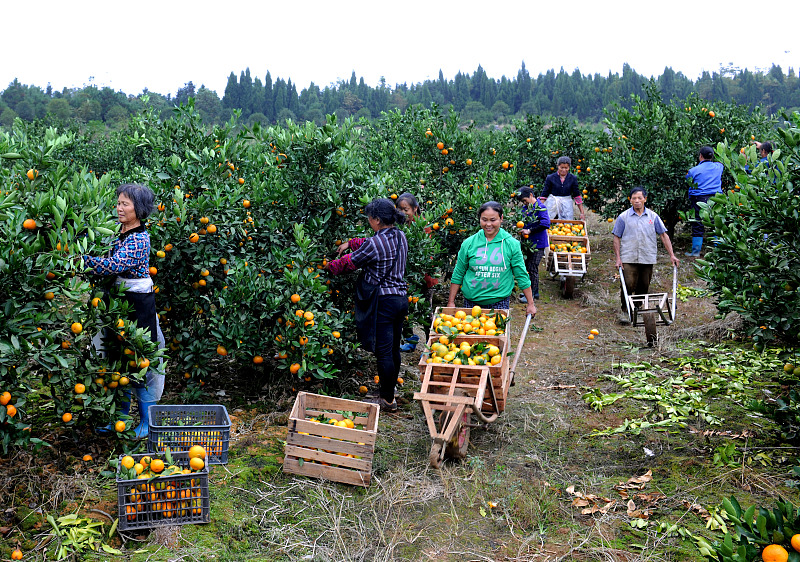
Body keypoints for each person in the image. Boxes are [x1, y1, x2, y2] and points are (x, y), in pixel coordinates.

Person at [83, 183, 165, 438]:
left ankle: (146, 422)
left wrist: (80, 260)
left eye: (124, 204)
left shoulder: (139, 239)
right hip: (118, 302)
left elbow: (113, 265)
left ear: (138, 209)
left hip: (137, 305)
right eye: (118, 203)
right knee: (117, 361)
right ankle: (119, 419)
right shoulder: (116, 232)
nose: (119, 208)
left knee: (138, 361)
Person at [327, 198, 409, 412]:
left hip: (383, 302)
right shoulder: (400, 236)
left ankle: (387, 401)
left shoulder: (375, 244)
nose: (368, 221)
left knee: (383, 352)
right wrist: (350, 243)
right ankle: (389, 390)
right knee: (393, 349)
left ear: (377, 220)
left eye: (369, 218)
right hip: (400, 299)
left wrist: (327, 266)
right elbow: (368, 243)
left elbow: (349, 263)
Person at [448, 201, 537, 317]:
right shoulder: (469, 243)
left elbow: (521, 275)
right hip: (471, 303)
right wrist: (451, 302)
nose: (488, 224)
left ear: (501, 218)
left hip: (499, 303)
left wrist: (530, 303)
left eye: (493, 220)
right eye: (484, 220)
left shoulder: (511, 244)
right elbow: (458, 273)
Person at [613, 187, 680, 324]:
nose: (637, 201)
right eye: (634, 198)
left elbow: (663, 235)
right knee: (628, 283)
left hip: (647, 256)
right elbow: (616, 237)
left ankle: (637, 309)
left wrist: (672, 255)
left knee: (643, 285)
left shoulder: (653, 216)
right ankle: (625, 310)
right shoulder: (623, 217)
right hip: (628, 256)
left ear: (645, 199)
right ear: (630, 200)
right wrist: (618, 258)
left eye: (639, 198)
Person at [395, 193, 439, 352]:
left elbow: (428, 253)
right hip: (405, 277)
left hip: (424, 278)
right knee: (404, 310)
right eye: (399, 209)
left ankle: (430, 345)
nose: (402, 213)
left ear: (415, 209)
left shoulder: (423, 226)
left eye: (405, 209)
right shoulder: (398, 225)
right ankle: (410, 340)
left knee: (425, 312)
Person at [684, 146, 723, 256]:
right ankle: (719, 251)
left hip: (699, 199)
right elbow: (721, 162)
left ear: (700, 156)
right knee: (716, 223)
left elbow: (688, 180)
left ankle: (696, 252)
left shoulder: (693, 171)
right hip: (715, 198)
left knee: (697, 223)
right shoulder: (719, 167)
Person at [514, 187, 550, 303]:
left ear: (530, 195)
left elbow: (545, 224)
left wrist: (529, 231)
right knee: (528, 267)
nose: (524, 203)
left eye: (525, 200)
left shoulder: (540, 207)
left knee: (532, 267)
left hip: (538, 244)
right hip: (528, 243)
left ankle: (532, 294)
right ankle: (533, 292)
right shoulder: (525, 208)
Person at [541, 156, 585, 221]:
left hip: (566, 205)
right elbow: (544, 195)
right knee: (550, 222)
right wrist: (538, 209)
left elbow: (576, 195)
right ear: (557, 166)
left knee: (566, 224)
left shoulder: (572, 178)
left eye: (566, 168)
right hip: (552, 205)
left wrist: (582, 213)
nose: (564, 170)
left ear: (569, 167)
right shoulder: (550, 178)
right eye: (561, 168)